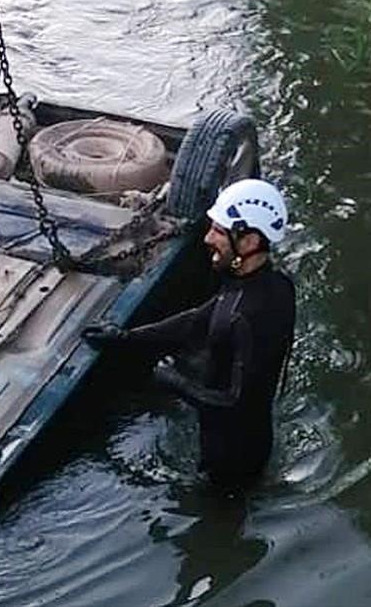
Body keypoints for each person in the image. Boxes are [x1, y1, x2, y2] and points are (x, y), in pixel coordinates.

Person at [83, 179, 296, 491]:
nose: (208, 238)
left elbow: (236, 405)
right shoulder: (264, 283)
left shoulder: (250, 313)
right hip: (232, 437)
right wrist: (126, 337)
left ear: (249, 242)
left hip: (233, 463)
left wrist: (174, 382)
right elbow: (198, 320)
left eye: (219, 232)